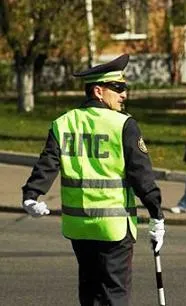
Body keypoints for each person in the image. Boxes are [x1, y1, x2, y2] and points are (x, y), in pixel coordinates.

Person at [21, 54, 165, 306]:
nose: (124, 95)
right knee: (115, 294)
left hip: (79, 227)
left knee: (90, 294)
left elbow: (48, 163)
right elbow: (141, 175)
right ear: (98, 91)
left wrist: (31, 195)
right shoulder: (123, 124)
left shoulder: (63, 123)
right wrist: (157, 214)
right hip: (114, 229)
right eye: (118, 88)